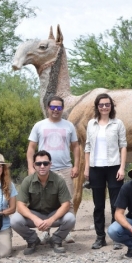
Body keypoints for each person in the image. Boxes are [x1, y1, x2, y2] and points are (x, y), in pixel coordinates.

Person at [27, 95, 80, 244]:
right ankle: (45, 232)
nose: (56, 110)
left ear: (62, 109)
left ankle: (67, 232)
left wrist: (76, 166)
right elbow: (31, 148)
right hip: (43, 169)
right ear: (47, 108)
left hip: (64, 168)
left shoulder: (69, 125)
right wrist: (31, 167)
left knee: (67, 201)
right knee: (46, 202)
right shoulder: (39, 125)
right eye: (53, 107)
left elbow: (75, 147)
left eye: (59, 107)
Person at [11, 150, 76, 255]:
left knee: (70, 218)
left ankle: (56, 240)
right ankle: (32, 240)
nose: (42, 166)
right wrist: (35, 219)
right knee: (15, 220)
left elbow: (66, 204)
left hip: (54, 214)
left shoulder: (59, 180)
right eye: (38, 163)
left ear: (50, 164)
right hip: (35, 214)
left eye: (45, 163)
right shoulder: (27, 181)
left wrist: (51, 220)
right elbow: (20, 205)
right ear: (34, 165)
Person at [84, 93, 127, 250]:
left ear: (111, 106)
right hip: (96, 168)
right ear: (97, 106)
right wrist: (87, 168)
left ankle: (116, 236)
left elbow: (123, 146)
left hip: (114, 167)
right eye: (101, 104)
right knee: (98, 205)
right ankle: (100, 237)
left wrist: (122, 167)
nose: (104, 107)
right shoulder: (91, 124)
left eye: (107, 104)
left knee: (116, 204)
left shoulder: (118, 124)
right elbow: (88, 146)